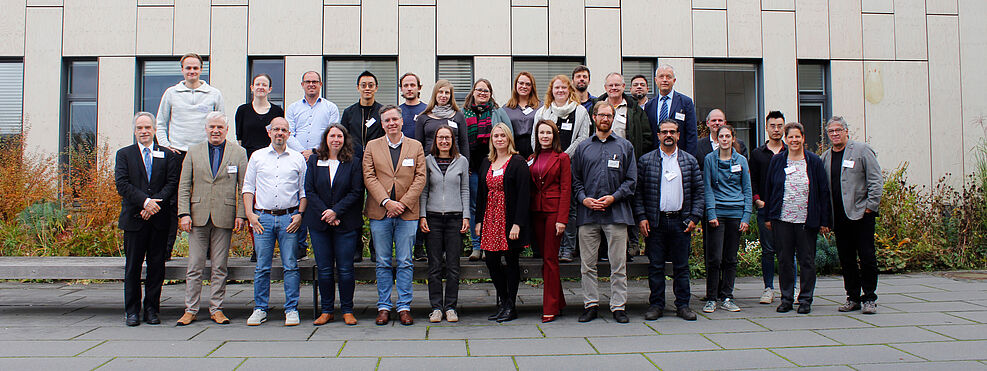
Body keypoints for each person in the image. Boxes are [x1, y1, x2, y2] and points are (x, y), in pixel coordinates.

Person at [175, 112, 247, 326]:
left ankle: (217, 308)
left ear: (227, 130)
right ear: (206, 129)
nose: (216, 130)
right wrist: (183, 213)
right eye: (212, 127)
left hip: (225, 215)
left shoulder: (239, 152)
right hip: (197, 216)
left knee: (220, 267)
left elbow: (243, 186)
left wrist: (242, 214)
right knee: (195, 266)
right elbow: (184, 185)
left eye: (220, 127)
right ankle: (191, 309)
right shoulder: (193, 152)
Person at [570, 102, 637, 324]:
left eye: (609, 115)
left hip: (616, 214)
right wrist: (584, 199)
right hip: (588, 215)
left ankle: (618, 306)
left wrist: (613, 197)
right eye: (601, 115)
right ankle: (591, 305)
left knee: (618, 264)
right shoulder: (583, 148)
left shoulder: (625, 146)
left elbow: (631, 180)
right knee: (587, 265)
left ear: (613, 117)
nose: (605, 119)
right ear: (594, 117)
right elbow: (575, 180)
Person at [155, 52, 224, 258]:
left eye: (195, 68)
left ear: (201, 69)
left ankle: (211, 252)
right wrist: (166, 146)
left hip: (205, 153)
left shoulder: (213, 93)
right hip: (177, 153)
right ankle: (166, 251)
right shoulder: (171, 93)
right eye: (188, 68)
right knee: (172, 201)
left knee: (208, 199)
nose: (192, 71)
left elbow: (222, 122)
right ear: (182, 70)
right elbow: (160, 123)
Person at [363, 105, 427, 326]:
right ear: (382, 124)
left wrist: (402, 203)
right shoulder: (372, 146)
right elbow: (369, 176)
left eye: (394, 119)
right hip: (380, 212)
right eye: (387, 120)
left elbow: (420, 178)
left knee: (405, 261)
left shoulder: (415, 146)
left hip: (407, 213)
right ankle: (383, 306)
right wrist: (387, 202)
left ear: (401, 122)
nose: (391, 123)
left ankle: (404, 306)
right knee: (382, 261)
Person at [635, 119, 704, 321]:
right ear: (658, 135)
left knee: (681, 267)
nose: (668, 135)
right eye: (664, 132)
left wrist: (694, 217)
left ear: (678, 135)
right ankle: (656, 305)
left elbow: (699, 192)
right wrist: (641, 217)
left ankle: (683, 305)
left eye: (672, 132)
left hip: (681, 222)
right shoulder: (646, 161)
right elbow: (638, 193)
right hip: (655, 222)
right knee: (656, 266)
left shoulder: (689, 160)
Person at [242, 117, 308, 326]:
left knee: (290, 265)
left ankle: (291, 309)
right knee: (262, 267)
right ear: (269, 132)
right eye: (276, 129)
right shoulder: (257, 157)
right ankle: (260, 308)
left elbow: (304, 190)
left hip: (289, 218)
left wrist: (299, 214)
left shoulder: (297, 158)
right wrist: (250, 215)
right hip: (263, 218)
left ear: (289, 134)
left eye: (284, 130)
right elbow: (247, 188)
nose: (280, 133)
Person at [115, 112, 179, 326]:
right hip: (134, 220)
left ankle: (152, 309)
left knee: (156, 267)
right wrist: (144, 202)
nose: (144, 131)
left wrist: (154, 204)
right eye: (140, 128)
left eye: (148, 128)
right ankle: (132, 311)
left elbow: (171, 184)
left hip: (159, 221)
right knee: (132, 267)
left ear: (154, 130)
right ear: (135, 131)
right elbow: (122, 185)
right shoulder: (124, 154)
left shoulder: (167, 155)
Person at [764, 122, 831, 315]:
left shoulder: (814, 161)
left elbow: (823, 191)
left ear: (803, 138)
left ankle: (805, 299)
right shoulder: (778, 161)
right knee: (784, 259)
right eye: (790, 137)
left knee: (807, 260)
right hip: (782, 218)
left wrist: (824, 221)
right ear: (785, 139)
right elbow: (769, 189)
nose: (794, 140)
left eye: (797, 137)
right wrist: (769, 215)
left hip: (806, 220)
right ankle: (786, 298)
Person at [821, 116, 883, 315]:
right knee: (846, 259)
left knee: (866, 256)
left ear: (847, 131)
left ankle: (870, 297)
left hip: (861, 214)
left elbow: (875, 179)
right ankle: (853, 297)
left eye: (838, 130)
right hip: (839, 217)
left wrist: (870, 207)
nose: (835, 134)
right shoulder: (826, 157)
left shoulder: (862, 151)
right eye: (831, 131)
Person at [305, 124, 365, 326]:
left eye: (340, 136)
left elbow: (357, 192)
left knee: (346, 269)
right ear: (326, 139)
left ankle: (347, 310)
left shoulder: (353, 162)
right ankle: (327, 310)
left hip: (346, 223)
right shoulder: (314, 161)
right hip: (320, 223)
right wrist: (327, 213)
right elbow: (310, 190)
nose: (336, 140)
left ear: (345, 139)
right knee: (324, 269)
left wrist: (336, 211)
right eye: (332, 136)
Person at [531, 74, 592, 263]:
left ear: (570, 90)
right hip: (545, 168)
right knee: (550, 209)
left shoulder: (580, 112)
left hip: (570, 165)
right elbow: (535, 138)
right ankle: (553, 247)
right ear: (552, 90)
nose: (560, 91)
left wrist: (563, 157)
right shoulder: (543, 112)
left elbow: (583, 138)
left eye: (564, 88)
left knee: (570, 207)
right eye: (557, 88)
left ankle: (568, 248)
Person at [476, 123, 530, 323]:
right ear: (491, 140)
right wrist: (479, 220)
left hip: (508, 220)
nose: (499, 139)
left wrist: (518, 224)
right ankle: (504, 301)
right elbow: (481, 194)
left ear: (509, 139)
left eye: (503, 136)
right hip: (490, 218)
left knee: (511, 261)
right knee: (491, 260)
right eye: (495, 136)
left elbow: (524, 196)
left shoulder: (518, 162)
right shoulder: (486, 162)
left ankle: (511, 306)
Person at [285, 70, 342, 261]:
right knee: (299, 196)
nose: (311, 84)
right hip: (297, 158)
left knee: (319, 195)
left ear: (320, 84)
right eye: (307, 81)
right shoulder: (293, 108)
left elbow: (333, 134)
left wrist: (315, 152)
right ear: (302, 84)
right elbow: (288, 133)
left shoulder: (330, 107)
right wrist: (303, 152)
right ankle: (300, 246)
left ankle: (323, 238)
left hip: (322, 158)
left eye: (315, 81)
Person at [419, 126, 470, 323]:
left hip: (454, 218)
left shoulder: (462, 161)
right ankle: (436, 308)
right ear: (435, 140)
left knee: (453, 266)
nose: (444, 141)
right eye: (440, 138)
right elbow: (423, 191)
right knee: (434, 266)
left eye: (447, 138)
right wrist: (422, 216)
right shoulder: (427, 161)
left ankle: (450, 307)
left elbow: (465, 189)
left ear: (452, 140)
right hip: (432, 218)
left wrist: (466, 216)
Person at [701, 125, 752, 314]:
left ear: (733, 139)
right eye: (721, 136)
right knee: (714, 257)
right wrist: (711, 213)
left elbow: (747, 189)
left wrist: (746, 215)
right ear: (717, 139)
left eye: (727, 136)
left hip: (736, 213)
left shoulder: (742, 161)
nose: (724, 139)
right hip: (717, 213)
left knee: (730, 258)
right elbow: (707, 188)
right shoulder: (709, 160)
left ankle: (727, 296)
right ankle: (711, 297)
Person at [463, 78, 513, 261]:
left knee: (494, 206)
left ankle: (492, 245)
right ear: (473, 92)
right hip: (472, 168)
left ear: (491, 94)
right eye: (479, 90)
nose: (483, 93)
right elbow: (460, 141)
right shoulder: (463, 113)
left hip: (494, 164)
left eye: (486, 91)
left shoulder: (498, 112)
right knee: (475, 205)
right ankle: (477, 246)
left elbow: (509, 135)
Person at [527, 119, 570, 323]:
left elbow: (566, 189)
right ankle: (559, 301)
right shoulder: (532, 158)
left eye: (548, 133)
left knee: (550, 260)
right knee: (545, 258)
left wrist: (562, 219)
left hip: (554, 213)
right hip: (536, 212)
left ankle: (550, 308)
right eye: (541, 133)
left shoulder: (562, 158)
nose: (545, 136)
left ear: (554, 136)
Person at [749, 111, 787, 304]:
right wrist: (757, 200)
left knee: (788, 250)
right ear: (766, 128)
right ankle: (768, 288)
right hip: (765, 208)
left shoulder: (790, 152)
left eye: (780, 126)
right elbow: (752, 180)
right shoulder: (758, 154)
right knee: (768, 251)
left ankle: (791, 287)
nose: (776, 129)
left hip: (787, 209)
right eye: (772, 126)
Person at [644, 64, 698, 158]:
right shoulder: (649, 106)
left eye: (668, 77)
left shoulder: (685, 102)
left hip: (680, 156)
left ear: (674, 81)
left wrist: (689, 159)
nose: (664, 80)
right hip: (655, 157)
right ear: (656, 80)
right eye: (661, 77)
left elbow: (691, 133)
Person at [595, 72, 652, 158]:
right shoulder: (596, 107)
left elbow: (646, 137)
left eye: (617, 85)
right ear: (605, 88)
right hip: (600, 156)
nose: (614, 88)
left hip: (625, 157)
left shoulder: (635, 109)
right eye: (610, 85)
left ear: (623, 86)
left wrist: (635, 155)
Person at [415, 80, 469, 166]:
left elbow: (464, 143)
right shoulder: (423, 118)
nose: (443, 95)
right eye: (440, 92)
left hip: (455, 164)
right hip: (429, 165)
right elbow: (418, 145)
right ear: (435, 94)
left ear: (451, 96)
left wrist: (466, 165)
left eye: (447, 93)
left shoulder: (459, 116)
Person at [235, 73, 284, 159]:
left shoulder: (277, 112)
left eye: (264, 85)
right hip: (248, 158)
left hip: (270, 157)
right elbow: (239, 139)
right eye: (257, 84)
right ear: (252, 88)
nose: (261, 87)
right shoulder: (242, 110)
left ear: (270, 89)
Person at [502, 71, 541, 159]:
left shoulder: (541, 107)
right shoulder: (506, 108)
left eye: (528, 84)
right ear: (516, 85)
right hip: (513, 150)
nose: (524, 86)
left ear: (532, 87)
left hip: (535, 150)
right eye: (521, 83)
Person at [342, 70, 385, 148]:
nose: (367, 88)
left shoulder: (383, 112)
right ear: (358, 88)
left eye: (371, 85)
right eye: (363, 85)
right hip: (353, 156)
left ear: (376, 88)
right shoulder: (348, 112)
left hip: (377, 155)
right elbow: (343, 137)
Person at [399, 72, 427, 138]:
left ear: (419, 88)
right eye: (406, 85)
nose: (409, 89)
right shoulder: (397, 111)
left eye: (412, 85)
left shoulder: (427, 110)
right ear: (401, 89)